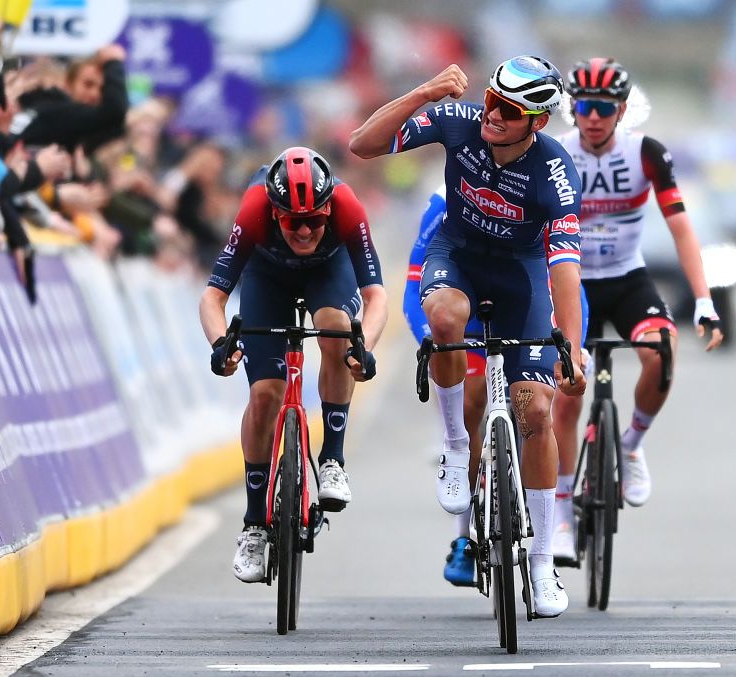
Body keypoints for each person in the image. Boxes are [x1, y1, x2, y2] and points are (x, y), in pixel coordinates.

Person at [351, 56, 586, 617]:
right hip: (455, 255)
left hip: (520, 276)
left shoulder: (554, 173)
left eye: (509, 110)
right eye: (490, 99)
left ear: (538, 123)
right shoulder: (460, 120)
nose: (493, 114)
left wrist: (572, 347)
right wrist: (424, 90)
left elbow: (564, 270)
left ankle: (541, 563)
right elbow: (363, 144)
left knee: (535, 411)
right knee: (447, 320)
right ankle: (458, 448)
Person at [550, 58, 723, 564]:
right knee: (566, 387)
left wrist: (706, 301)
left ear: (622, 110)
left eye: (605, 108)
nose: (594, 117)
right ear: (572, 108)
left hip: (627, 277)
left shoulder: (645, 152)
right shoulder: (554, 154)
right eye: (584, 106)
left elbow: (682, 227)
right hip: (572, 282)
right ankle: (559, 511)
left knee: (662, 353)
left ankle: (629, 444)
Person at [200, 146, 387, 583]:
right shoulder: (253, 209)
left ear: (328, 209)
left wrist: (366, 347)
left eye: (314, 221)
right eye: (291, 222)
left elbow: (376, 295)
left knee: (337, 329)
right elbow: (214, 297)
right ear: (274, 213)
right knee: (265, 394)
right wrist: (218, 343)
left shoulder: (346, 206)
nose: (304, 231)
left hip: (329, 274)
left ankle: (333, 460)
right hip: (269, 280)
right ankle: (253, 526)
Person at [405, 184, 592, 588]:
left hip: (526, 305)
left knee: (536, 410)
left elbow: (571, 285)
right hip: (468, 315)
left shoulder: (539, 192)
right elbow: (414, 285)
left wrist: (573, 350)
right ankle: (463, 537)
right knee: (471, 403)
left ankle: (544, 554)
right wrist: (433, 337)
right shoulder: (445, 199)